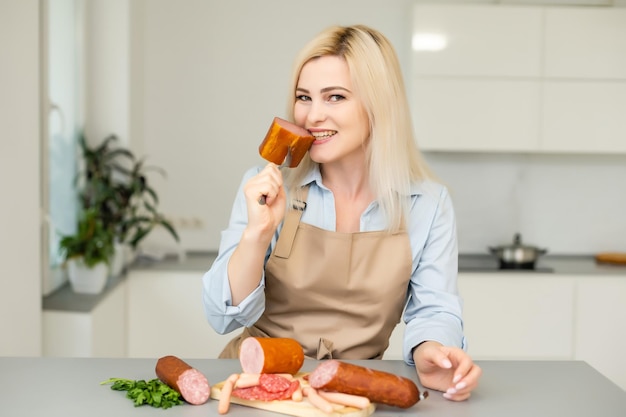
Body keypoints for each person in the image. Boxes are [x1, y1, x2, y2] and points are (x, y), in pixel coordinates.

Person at [202, 24, 481, 401]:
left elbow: (435, 309)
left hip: (350, 392)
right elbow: (222, 318)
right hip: (252, 388)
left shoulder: (427, 204)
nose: (313, 115)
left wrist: (431, 349)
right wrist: (257, 233)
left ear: (378, 105)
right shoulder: (265, 188)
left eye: (335, 97)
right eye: (304, 97)